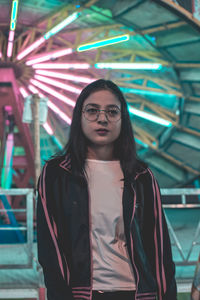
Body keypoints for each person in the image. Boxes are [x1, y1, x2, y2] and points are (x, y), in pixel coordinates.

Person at [37, 79, 177, 300]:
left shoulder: (142, 177)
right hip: (83, 294)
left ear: (123, 120)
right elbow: (50, 249)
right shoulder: (57, 174)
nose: (102, 118)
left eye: (112, 112)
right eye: (92, 111)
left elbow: (159, 249)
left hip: (138, 293)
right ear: (79, 117)